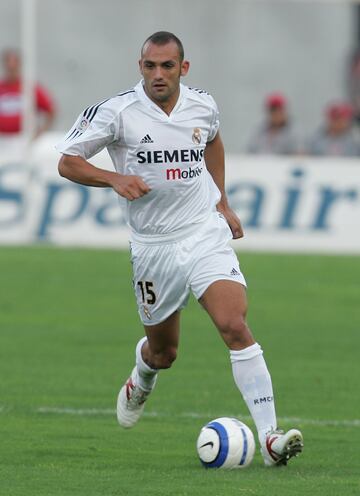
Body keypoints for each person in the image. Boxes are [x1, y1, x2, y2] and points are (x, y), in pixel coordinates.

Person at [56, 31, 303, 467]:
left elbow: (212, 142)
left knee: (234, 324)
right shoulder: (117, 112)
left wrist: (222, 200)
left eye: (167, 66)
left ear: (182, 69)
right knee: (164, 353)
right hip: (153, 247)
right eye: (150, 66)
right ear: (140, 67)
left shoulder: (203, 104)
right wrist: (114, 179)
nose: (158, 74)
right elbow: (68, 160)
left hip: (202, 230)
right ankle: (142, 376)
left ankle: (269, 439)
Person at [0, 48, 55, 138]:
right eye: (8, 65)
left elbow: (51, 111)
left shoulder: (30, 88)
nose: (11, 67)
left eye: (14, 64)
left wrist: (41, 130)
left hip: (24, 138)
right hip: (2, 140)